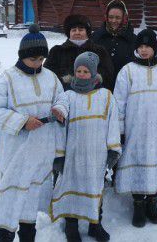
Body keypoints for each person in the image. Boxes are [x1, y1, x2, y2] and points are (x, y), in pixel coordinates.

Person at [0, 25, 64, 242]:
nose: (38, 63)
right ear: (23, 56)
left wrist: (60, 110)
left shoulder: (51, 78)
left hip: (40, 152)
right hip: (16, 152)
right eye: (33, 59)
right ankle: (5, 236)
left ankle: (28, 235)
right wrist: (22, 121)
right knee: (11, 196)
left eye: (41, 59)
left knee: (31, 197)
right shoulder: (7, 79)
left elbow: (62, 99)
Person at [113, 29, 157, 227]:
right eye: (140, 47)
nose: (144, 50)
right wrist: (119, 130)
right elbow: (119, 102)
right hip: (135, 130)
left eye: (148, 46)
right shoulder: (128, 70)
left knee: (156, 165)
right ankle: (138, 206)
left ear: (155, 48)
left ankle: (152, 205)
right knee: (137, 164)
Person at [50, 52, 121, 242]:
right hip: (73, 155)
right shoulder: (68, 95)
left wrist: (113, 149)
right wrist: (59, 155)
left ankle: (95, 225)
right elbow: (60, 109)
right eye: (78, 71)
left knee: (95, 189)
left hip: (96, 156)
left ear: (93, 73)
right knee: (70, 189)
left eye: (85, 71)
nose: (81, 74)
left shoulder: (106, 96)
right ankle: (71, 226)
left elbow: (113, 122)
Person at [45, 14, 116, 91]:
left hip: (93, 96)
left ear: (87, 32)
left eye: (81, 29)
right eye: (74, 30)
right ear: (69, 33)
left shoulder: (99, 51)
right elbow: (48, 75)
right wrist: (65, 81)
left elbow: (108, 73)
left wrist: (95, 79)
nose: (77, 32)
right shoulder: (57, 51)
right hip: (65, 95)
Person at [92, 0, 137, 76]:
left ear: (124, 18)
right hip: (100, 85)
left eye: (118, 17)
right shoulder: (96, 37)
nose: (114, 20)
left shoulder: (134, 40)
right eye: (111, 17)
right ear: (106, 17)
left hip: (125, 85)